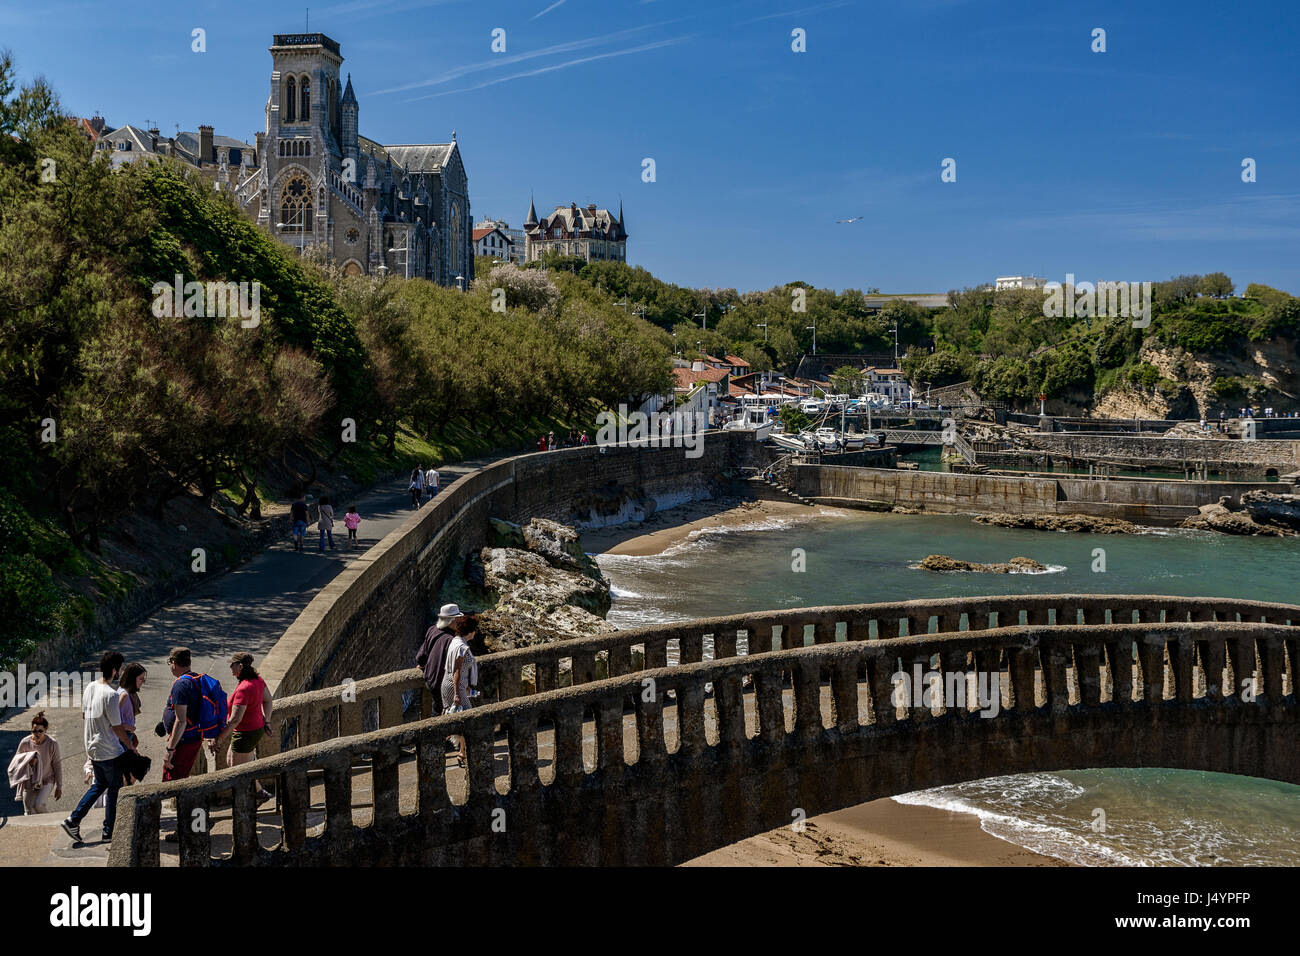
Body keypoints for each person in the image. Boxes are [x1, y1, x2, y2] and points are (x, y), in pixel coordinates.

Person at [62, 651, 134, 843]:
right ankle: (109, 832)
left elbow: (85, 716)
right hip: (110, 750)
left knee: (100, 784)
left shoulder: (90, 687)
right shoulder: (111, 695)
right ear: (114, 670)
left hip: (92, 748)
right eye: (120, 668)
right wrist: (130, 747)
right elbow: (117, 727)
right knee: (114, 789)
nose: (120, 672)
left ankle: (73, 820)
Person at [215, 654, 274, 802]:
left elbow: (235, 719)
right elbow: (268, 700)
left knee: (238, 773)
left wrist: (220, 738)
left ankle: (251, 800)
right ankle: (259, 793)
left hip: (245, 733)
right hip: (254, 729)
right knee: (231, 761)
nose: (230, 667)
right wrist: (266, 721)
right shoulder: (257, 681)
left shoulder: (244, 688)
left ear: (240, 666)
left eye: (232, 664)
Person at [161, 647, 209, 782]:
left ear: (173, 663)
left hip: (183, 741)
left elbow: (181, 721)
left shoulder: (181, 684)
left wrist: (170, 750)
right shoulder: (196, 678)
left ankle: (176, 803)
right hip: (195, 735)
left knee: (172, 779)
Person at [8, 712, 62, 814]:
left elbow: (57, 765)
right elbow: (16, 761)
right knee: (29, 811)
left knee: (39, 804)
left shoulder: (52, 743)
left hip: (47, 779)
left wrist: (59, 787)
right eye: (34, 731)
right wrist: (28, 761)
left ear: (45, 730)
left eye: (40, 731)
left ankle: (51, 824)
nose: (37, 734)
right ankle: (37, 829)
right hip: (29, 781)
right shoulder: (25, 742)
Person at [115, 663, 148, 785]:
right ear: (132, 678)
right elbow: (111, 721)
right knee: (132, 772)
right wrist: (128, 727)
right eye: (140, 679)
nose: (142, 682)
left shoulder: (129, 693)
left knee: (134, 770)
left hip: (127, 737)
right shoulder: (123, 695)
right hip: (121, 739)